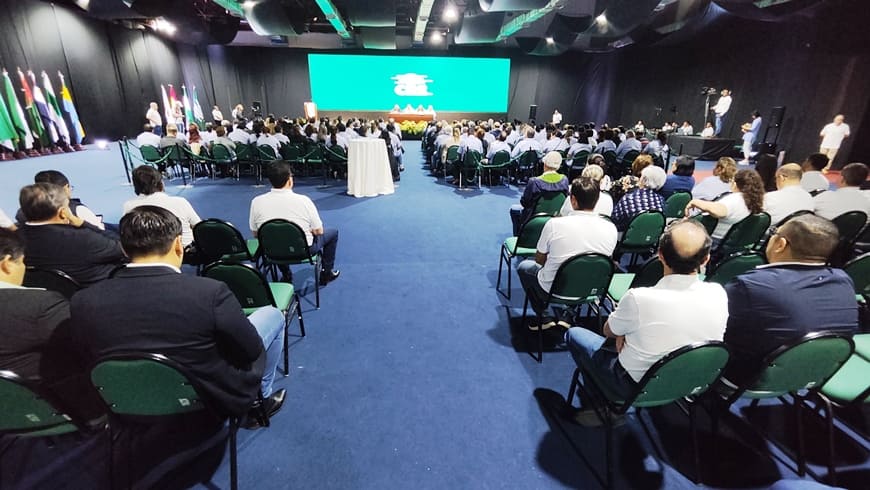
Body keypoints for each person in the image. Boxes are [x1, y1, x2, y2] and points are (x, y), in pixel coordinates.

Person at [69, 206, 286, 423]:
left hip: (128, 401)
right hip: (208, 401)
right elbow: (250, 350)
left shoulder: (82, 301)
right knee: (273, 315)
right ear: (178, 245)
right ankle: (260, 402)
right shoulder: (209, 292)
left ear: (124, 250)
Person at [565, 219, 727, 425]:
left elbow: (608, 330)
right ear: (706, 259)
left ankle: (608, 404)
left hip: (632, 386)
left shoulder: (639, 298)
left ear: (660, 254)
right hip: (690, 383)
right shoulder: (719, 293)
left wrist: (623, 331)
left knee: (574, 334)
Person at [723, 214, 858, 385]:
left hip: (749, 378)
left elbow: (719, 328)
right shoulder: (843, 278)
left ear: (781, 244)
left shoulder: (753, 285)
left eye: (774, 232)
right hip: (813, 374)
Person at [0, 228, 104, 422]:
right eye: (22, 262)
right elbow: (92, 344)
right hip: (52, 414)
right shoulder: (40, 306)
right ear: (6, 264)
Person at [517, 177, 618, 330]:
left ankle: (543, 316)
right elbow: (604, 262)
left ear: (572, 200)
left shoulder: (554, 224)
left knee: (524, 266)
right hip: (591, 288)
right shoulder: (611, 228)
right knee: (585, 271)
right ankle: (569, 314)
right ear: (597, 200)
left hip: (552, 288)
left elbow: (539, 260)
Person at [249, 162, 340, 285]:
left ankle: (286, 274)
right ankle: (326, 273)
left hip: (271, 250)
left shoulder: (256, 202)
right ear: (289, 180)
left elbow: (256, 234)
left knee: (276, 238)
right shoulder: (304, 201)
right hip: (304, 250)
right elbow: (319, 231)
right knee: (333, 233)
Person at [18, 183, 125, 286]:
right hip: (97, 289)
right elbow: (124, 248)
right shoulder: (83, 237)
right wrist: (83, 223)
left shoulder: (12, 239)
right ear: (63, 212)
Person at [123, 165, 202, 248]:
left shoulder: (129, 206)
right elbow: (199, 227)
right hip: (185, 251)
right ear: (161, 183)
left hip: (147, 254)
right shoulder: (180, 202)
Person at [685, 169, 766, 242]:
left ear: (735, 183)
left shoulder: (734, 199)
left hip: (715, 240)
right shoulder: (754, 200)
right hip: (733, 241)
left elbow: (719, 211)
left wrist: (695, 202)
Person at [15, 170, 107, 231]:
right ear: (65, 188)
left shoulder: (22, 213)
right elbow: (100, 230)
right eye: (69, 187)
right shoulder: (77, 210)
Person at [509, 152, 569, 235]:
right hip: (555, 218)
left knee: (514, 209)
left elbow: (524, 202)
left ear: (544, 165)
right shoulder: (564, 180)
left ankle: (519, 237)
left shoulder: (534, 181)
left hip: (533, 219)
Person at [611, 165, 667, 231]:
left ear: (644, 180)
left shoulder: (629, 198)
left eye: (641, 176)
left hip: (625, 235)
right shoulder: (661, 201)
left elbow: (613, 220)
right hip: (650, 236)